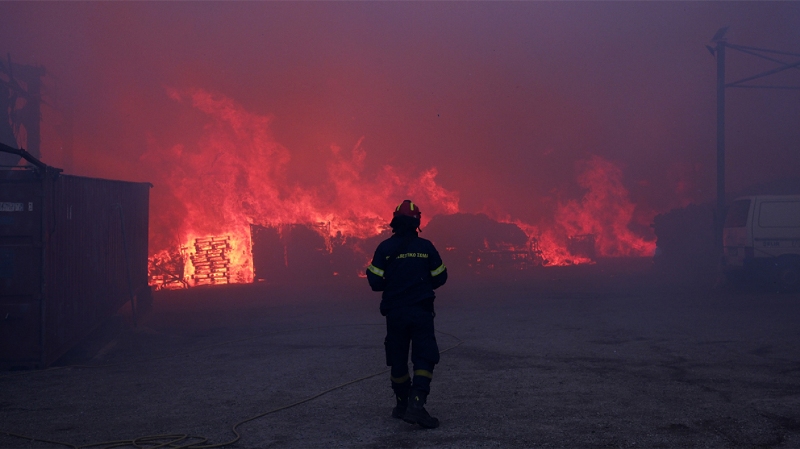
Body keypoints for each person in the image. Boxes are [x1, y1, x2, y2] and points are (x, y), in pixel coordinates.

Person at [366, 200, 448, 429]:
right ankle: (416, 405)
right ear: (417, 222)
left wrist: (394, 285)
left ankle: (402, 404)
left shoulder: (385, 248)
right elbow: (441, 277)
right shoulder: (426, 247)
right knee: (424, 357)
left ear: (394, 220)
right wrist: (420, 284)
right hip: (421, 311)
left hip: (396, 313)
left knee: (397, 359)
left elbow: (374, 281)